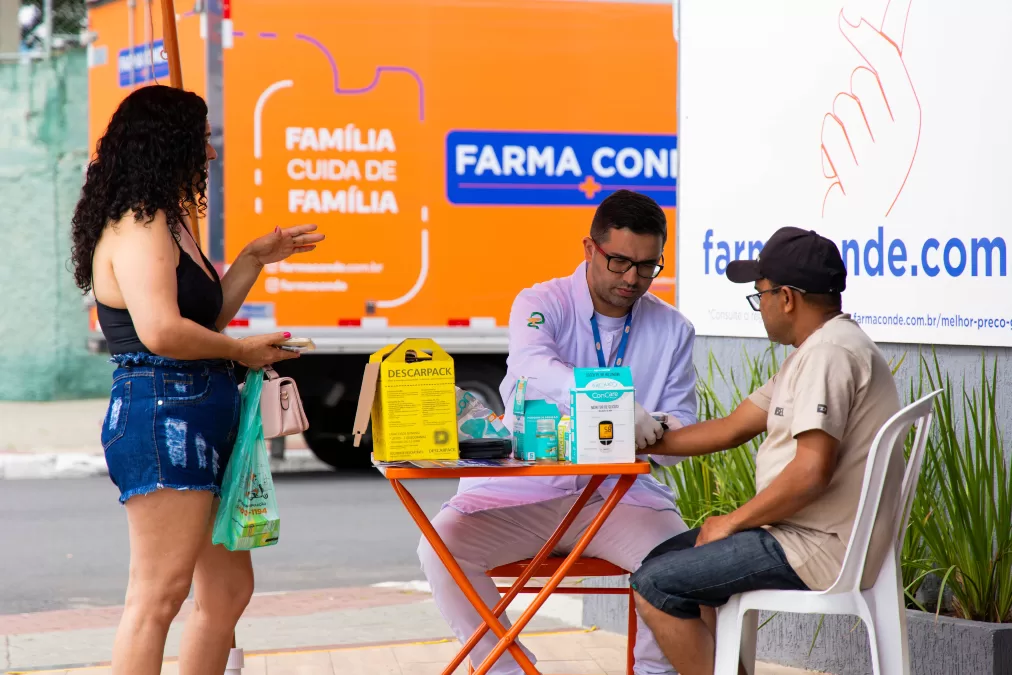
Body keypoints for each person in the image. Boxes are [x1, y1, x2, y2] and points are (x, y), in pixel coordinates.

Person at [69, 85, 325, 675]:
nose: (209, 154)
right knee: (158, 595)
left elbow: (198, 321)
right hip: (162, 413)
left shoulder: (172, 220)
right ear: (169, 143)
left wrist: (254, 260)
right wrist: (242, 351)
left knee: (227, 591)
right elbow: (161, 332)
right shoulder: (140, 224)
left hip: (198, 410)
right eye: (201, 139)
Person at [418, 189, 697, 675]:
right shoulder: (540, 302)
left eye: (647, 266)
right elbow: (533, 368)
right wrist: (613, 401)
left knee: (683, 567)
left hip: (617, 497)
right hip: (523, 490)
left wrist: (660, 429)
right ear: (589, 248)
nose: (633, 279)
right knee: (440, 548)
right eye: (618, 262)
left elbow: (681, 433)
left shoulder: (674, 328)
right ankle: (507, 669)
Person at [629, 227, 902, 675]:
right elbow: (733, 428)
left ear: (787, 298)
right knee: (661, 562)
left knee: (655, 584)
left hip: (815, 546)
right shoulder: (816, 348)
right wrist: (637, 437)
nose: (762, 309)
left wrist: (732, 522)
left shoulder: (829, 354)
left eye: (760, 296)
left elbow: (812, 471)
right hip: (802, 534)